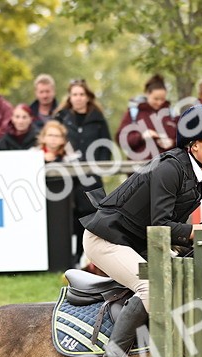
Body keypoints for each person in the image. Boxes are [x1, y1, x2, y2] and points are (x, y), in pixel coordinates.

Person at [79, 104, 202, 357]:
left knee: (186, 274)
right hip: (106, 239)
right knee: (151, 288)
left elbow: (174, 232)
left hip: (136, 241)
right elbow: (160, 227)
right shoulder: (169, 168)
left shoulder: (193, 176)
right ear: (195, 143)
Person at [56, 79, 114, 266]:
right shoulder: (61, 118)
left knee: (91, 216)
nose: (78, 98)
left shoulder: (98, 120)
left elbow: (106, 146)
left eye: (82, 94)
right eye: (75, 94)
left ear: (88, 97)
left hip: (91, 178)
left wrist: (99, 165)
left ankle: (91, 258)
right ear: (70, 97)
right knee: (69, 215)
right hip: (67, 177)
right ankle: (71, 258)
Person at [39, 121, 75, 271]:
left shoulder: (70, 156)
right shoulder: (33, 153)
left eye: (57, 136)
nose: (53, 139)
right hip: (40, 203)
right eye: (50, 135)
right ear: (43, 138)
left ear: (62, 139)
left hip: (63, 205)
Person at [119, 74, 177, 162]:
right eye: (156, 99)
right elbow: (122, 139)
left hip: (167, 167)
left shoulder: (171, 114)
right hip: (139, 169)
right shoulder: (134, 113)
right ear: (147, 94)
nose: (159, 102)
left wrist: (172, 142)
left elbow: (184, 140)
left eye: (162, 99)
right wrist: (141, 136)